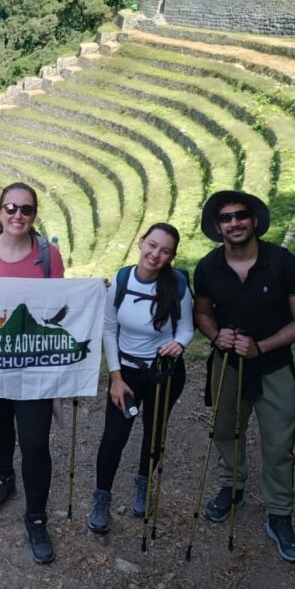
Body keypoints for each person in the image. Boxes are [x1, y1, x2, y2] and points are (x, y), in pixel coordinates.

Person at [193, 191, 295, 564]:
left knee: (278, 443)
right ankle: (232, 488)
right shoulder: (207, 267)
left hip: (273, 366)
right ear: (218, 227)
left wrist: (261, 347)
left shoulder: (284, 264)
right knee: (226, 430)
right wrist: (216, 335)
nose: (234, 223)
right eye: (226, 218)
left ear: (254, 220)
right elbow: (202, 313)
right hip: (227, 365)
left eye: (240, 215)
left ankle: (279, 514)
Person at [0, 181, 65, 565]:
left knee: (36, 441)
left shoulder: (47, 255)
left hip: (35, 363)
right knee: (0, 421)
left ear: (34, 214)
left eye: (26, 209)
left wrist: (93, 293)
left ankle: (36, 516)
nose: (17, 215)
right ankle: (4, 477)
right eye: (10, 208)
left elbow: (60, 301)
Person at [87, 223, 194, 534]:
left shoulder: (178, 286)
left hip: (165, 371)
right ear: (141, 242)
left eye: (165, 251)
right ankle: (101, 497)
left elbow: (186, 328)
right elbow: (109, 329)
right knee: (113, 437)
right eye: (152, 245)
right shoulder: (121, 281)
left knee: (154, 430)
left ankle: (143, 485)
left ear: (172, 255)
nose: (156, 254)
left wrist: (181, 344)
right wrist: (116, 378)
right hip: (128, 373)